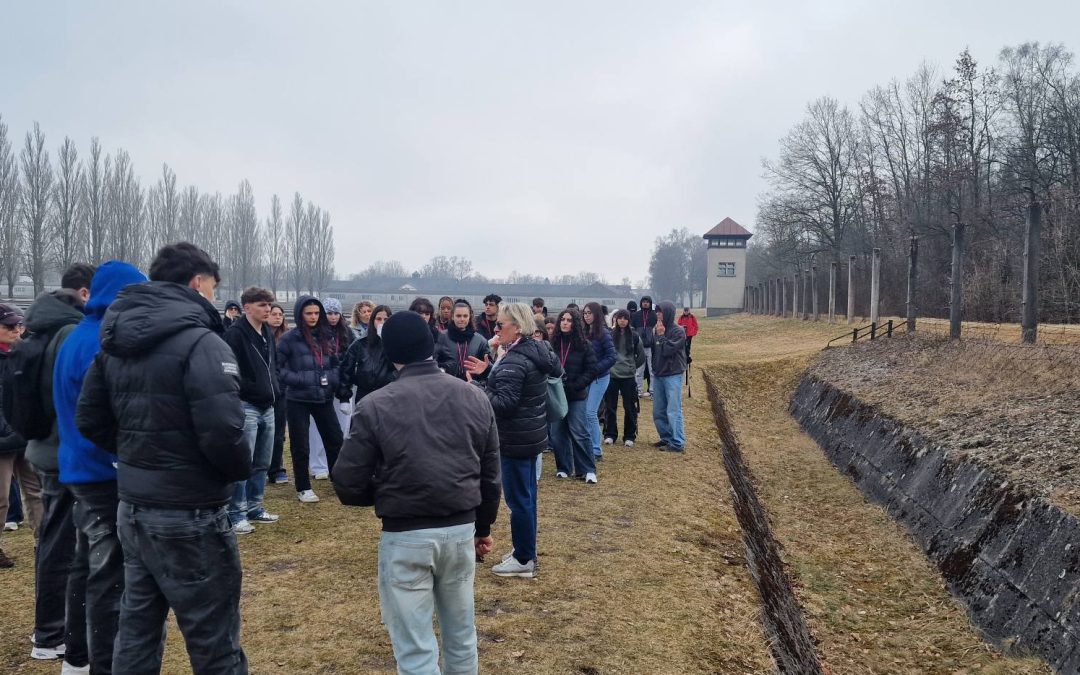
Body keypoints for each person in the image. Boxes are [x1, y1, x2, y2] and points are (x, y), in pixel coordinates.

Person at [76, 242, 250, 673]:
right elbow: (224, 431)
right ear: (197, 283)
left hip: (135, 505)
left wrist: (139, 455)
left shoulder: (114, 340)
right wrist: (234, 471)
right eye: (212, 286)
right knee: (213, 636)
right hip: (188, 511)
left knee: (136, 625)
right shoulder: (201, 343)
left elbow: (90, 418)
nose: (213, 294)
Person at [332, 311, 501, 674]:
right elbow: (490, 476)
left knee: (415, 647)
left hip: (408, 532)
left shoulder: (376, 404)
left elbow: (348, 483)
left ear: (390, 353)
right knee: (461, 635)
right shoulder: (473, 397)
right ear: (430, 345)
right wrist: (483, 526)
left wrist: (390, 492)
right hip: (458, 529)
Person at [53, 260, 147, 674]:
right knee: (110, 577)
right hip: (101, 471)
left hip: (79, 466)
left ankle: (76, 656)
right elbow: (101, 414)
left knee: (85, 564)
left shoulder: (79, 335)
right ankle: (102, 664)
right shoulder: (99, 343)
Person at [21, 265, 92, 665]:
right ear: (84, 293)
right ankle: (50, 633)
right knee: (61, 545)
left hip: (43, 448)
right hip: (62, 450)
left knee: (53, 539)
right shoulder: (68, 333)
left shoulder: (40, 326)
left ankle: (47, 628)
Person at [465, 303, 560, 578]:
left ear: (517, 327)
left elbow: (504, 403)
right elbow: (512, 387)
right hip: (528, 436)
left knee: (519, 501)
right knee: (527, 497)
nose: (495, 329)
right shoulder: (532, 350)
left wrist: (477, 389)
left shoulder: (517, 358)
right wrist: (489, 372)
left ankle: (523, 559)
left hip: (516, 439)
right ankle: (525, 552)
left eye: (500, 324)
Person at [222, 287, 282, 534]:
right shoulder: (235, 335)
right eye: (261, 304)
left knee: (262, 461)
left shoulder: (267, 331)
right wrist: (250, 390)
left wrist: (275, 387)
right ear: (247, 307)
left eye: (268, 304)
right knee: (242, 462)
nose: (267, 308)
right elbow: (231, 372)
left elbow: (272, 366)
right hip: (247, 405)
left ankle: (255, 507)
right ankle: (235, 512)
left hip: (268, 405)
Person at [277, 296, 346, 503]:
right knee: (300, 444)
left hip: (323, 396)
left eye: (317, 313)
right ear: (300, 315)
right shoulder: (289, 339)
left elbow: (336, 363)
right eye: (309, 313)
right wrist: (300, 379)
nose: (313, 317)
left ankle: (339, 480)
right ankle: (303, 486)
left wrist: (332, 379)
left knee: (335, 439)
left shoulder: (328, 337)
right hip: (298, 397)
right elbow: (277, 368)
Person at [547, 309, 597, 483]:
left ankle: (587, 469)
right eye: (563, 320)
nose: (565, 323)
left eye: (569, 320)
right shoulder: (552, 343)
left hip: (576, 395)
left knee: (579, 431)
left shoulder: (585, 345)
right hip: (556, 395)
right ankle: (563, 467)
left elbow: (591, 370)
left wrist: (575, 385)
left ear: (575, 324)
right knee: (557, 433)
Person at [308, 297, 355, 481]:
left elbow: (351, 361)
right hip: (321, 387)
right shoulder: (315, 334)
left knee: (341, 429)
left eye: (336, 313)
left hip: (342, 388)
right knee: (317, 429)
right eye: (329, 313)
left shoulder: (348, 334)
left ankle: (337, 464)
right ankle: (317, 465)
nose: (333, 317)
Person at [0, 303, 31, 570]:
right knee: (1, 497)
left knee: (36, 493)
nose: (16, 330)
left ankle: (45, 543)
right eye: (9, 326)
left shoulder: (23, 352)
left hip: (27, 434)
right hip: (4, 439)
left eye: (19, 325)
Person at [603, 309, 645, 448]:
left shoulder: (634, 336)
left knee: (630, 407)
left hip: (628, 376)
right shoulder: (609, 335)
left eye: (625, 318)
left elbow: (641, 356)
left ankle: (629, 435)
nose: (622, 320)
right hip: (612, 376)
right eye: (619, 318)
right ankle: (610, 434)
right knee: (610, 406)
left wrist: (632, 367)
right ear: (615, 319)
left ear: (628, 320)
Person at [338, 304, 395, 405]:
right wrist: (344, 397)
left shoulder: (396, 343)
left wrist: (387, 342)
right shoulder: (360, 343)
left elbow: (398, 366)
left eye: (386, 319)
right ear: (372, 321)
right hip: (365, 393)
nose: (382, 322)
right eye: (378, 319)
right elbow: (347, 369)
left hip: (388, 393)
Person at [652, 302, 688, 452]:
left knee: (673, 409)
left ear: (667, 313)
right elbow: (656, 351)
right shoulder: (657, 330)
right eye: (657, 312)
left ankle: (678, 442)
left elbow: (668, 350)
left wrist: (661, 336)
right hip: (659, 374)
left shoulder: (678, 331)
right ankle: (666, 437)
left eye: (660, 312)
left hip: (673, 374)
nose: (658, 315)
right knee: (658, 410)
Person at [582, 302, 616, 463]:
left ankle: (596, 449)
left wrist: (596, 369)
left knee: (590, 412)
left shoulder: (603, 333)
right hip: (587, 377)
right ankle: (589, 445)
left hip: (599, 377)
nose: (586, 315)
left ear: (596, 314)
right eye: (585, 313)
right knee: (584, 413)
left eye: (589, 313)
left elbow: (612, 357)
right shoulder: (584, 332)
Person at [435, 300, 491, 381]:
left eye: (465, 316)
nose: (462, 319)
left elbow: (489, 367)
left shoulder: (480, 341)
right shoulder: (441, 337)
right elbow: (433, 362)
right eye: (458, 316)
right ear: (452, 317)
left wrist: (487, 367)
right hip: (447, 384)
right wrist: (444, 368)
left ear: (469, 317)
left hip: (471, 385)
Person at [266, 303, 290, 484]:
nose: (277, 317)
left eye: (280, 314)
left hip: (281, 390)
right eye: (274, 314)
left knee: (279, 431)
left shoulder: (287, 338)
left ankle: (277, 468)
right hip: (261, 389)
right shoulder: (259, 337)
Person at [631, 296, 657, 397]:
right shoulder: (636, 315)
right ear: (641, 303)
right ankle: (638, 391)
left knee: (652, 371)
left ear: (650, 303)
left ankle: (652, 391)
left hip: (651, 347)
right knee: (639, 371)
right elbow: (632, 329)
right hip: (639, 347)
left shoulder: (654, 315)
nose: (645, 303)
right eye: (644, 302)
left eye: (647, 302)